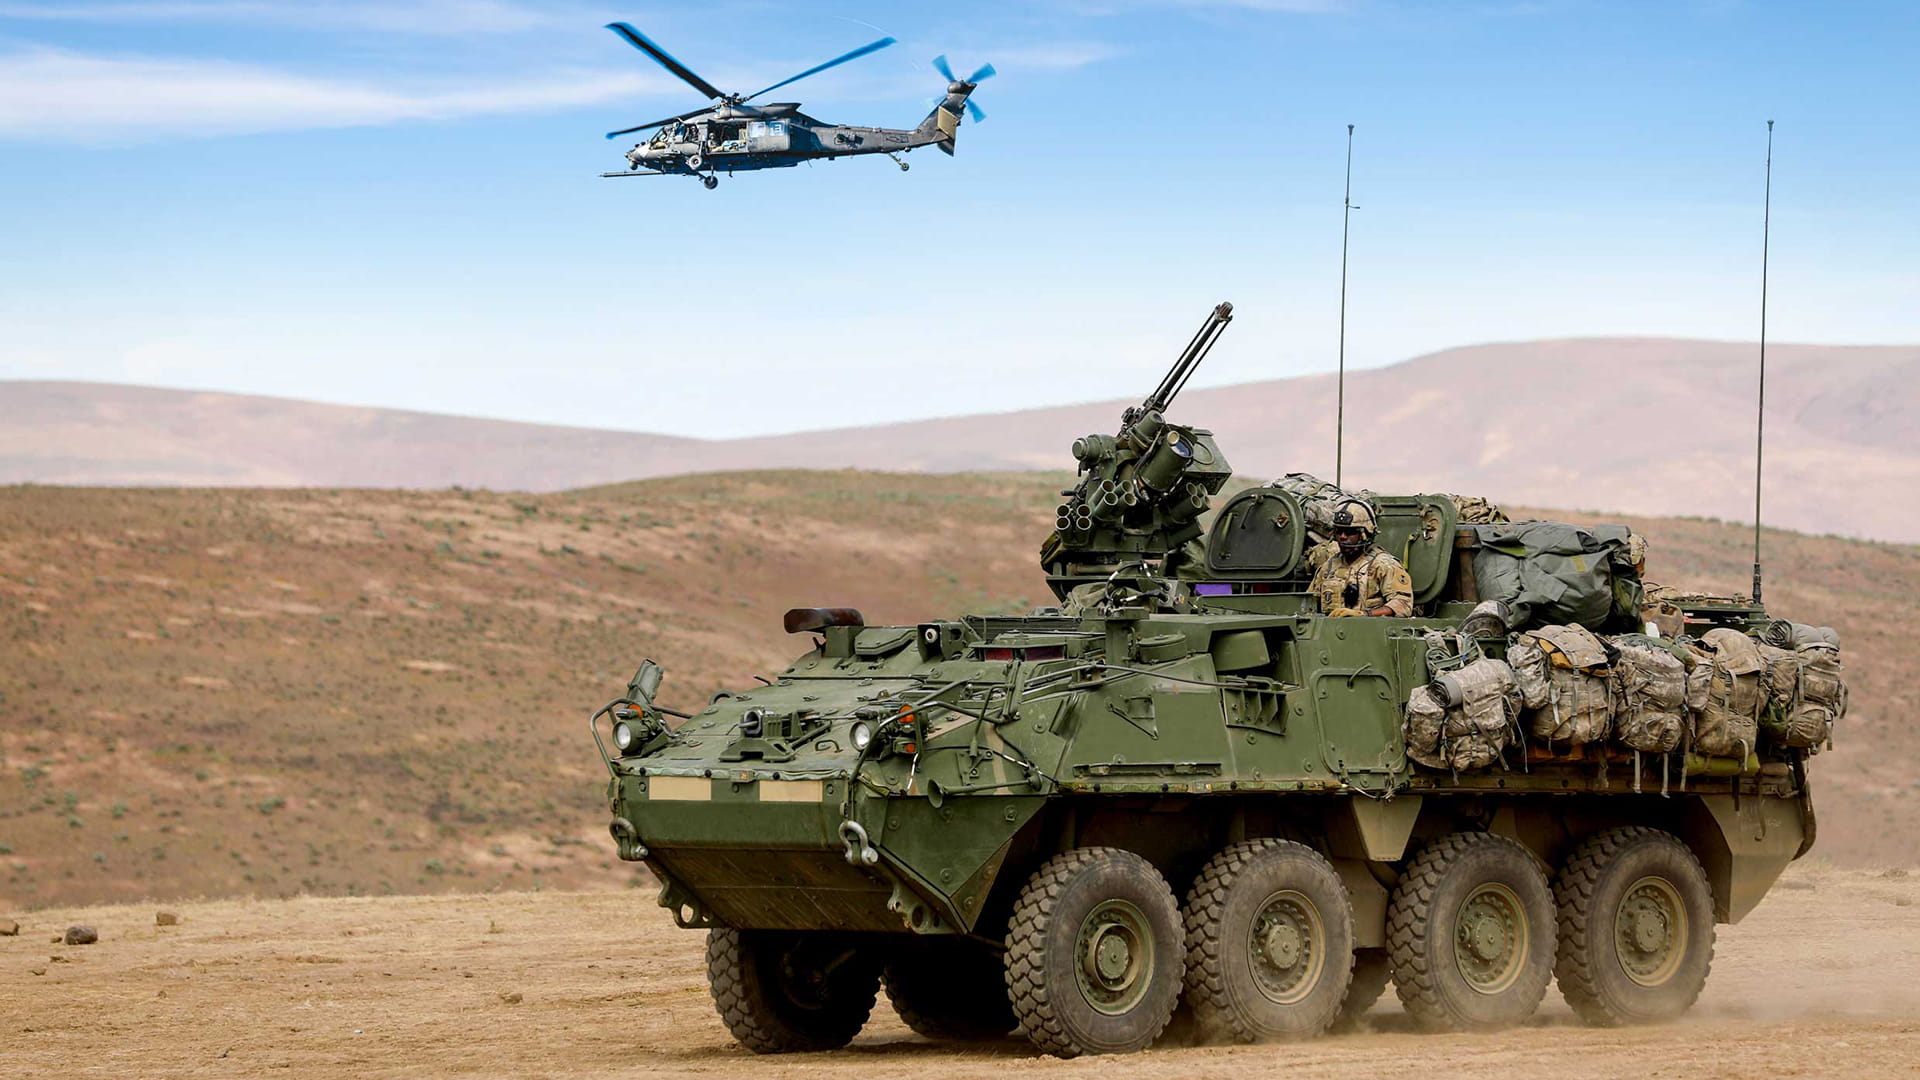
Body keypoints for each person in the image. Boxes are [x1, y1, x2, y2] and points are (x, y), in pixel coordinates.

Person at [1308, 500, 1413, 617]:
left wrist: (1363, 614)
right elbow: (1309, 602)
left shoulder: (1383, 565)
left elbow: (1403, 604)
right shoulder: (1329, 566)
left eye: (1350, 532)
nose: (1342, 537)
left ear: (1364, 535)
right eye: (1339, 531)